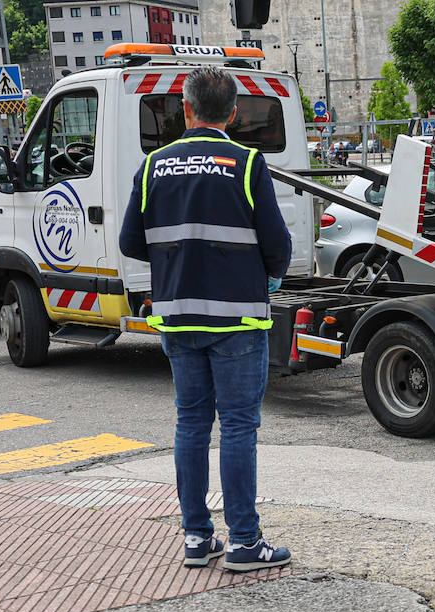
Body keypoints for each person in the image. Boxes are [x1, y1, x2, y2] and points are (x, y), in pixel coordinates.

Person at [119, 66, 293, 573]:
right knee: (238, 425)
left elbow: (132, 242)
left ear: (186, 111)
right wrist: (270, 275)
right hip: (238, 319)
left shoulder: (152, 167)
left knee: (190, 423)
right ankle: (244, 542)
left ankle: (197, 537)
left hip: (176, 315)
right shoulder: (245, 164)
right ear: (233, 114)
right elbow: (277, 243)